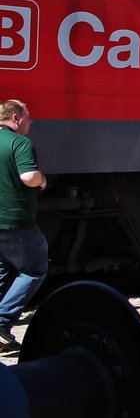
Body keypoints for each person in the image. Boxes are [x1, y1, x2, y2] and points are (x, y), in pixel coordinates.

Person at [0, 100, 49, 355]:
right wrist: (42, 181)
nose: (31, 123)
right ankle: (2, 324)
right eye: (28, 118)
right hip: (16, 222)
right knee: (34, 268)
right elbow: (28, 177)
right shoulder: (20, 143)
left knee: (5, 271)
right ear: (16, 118)